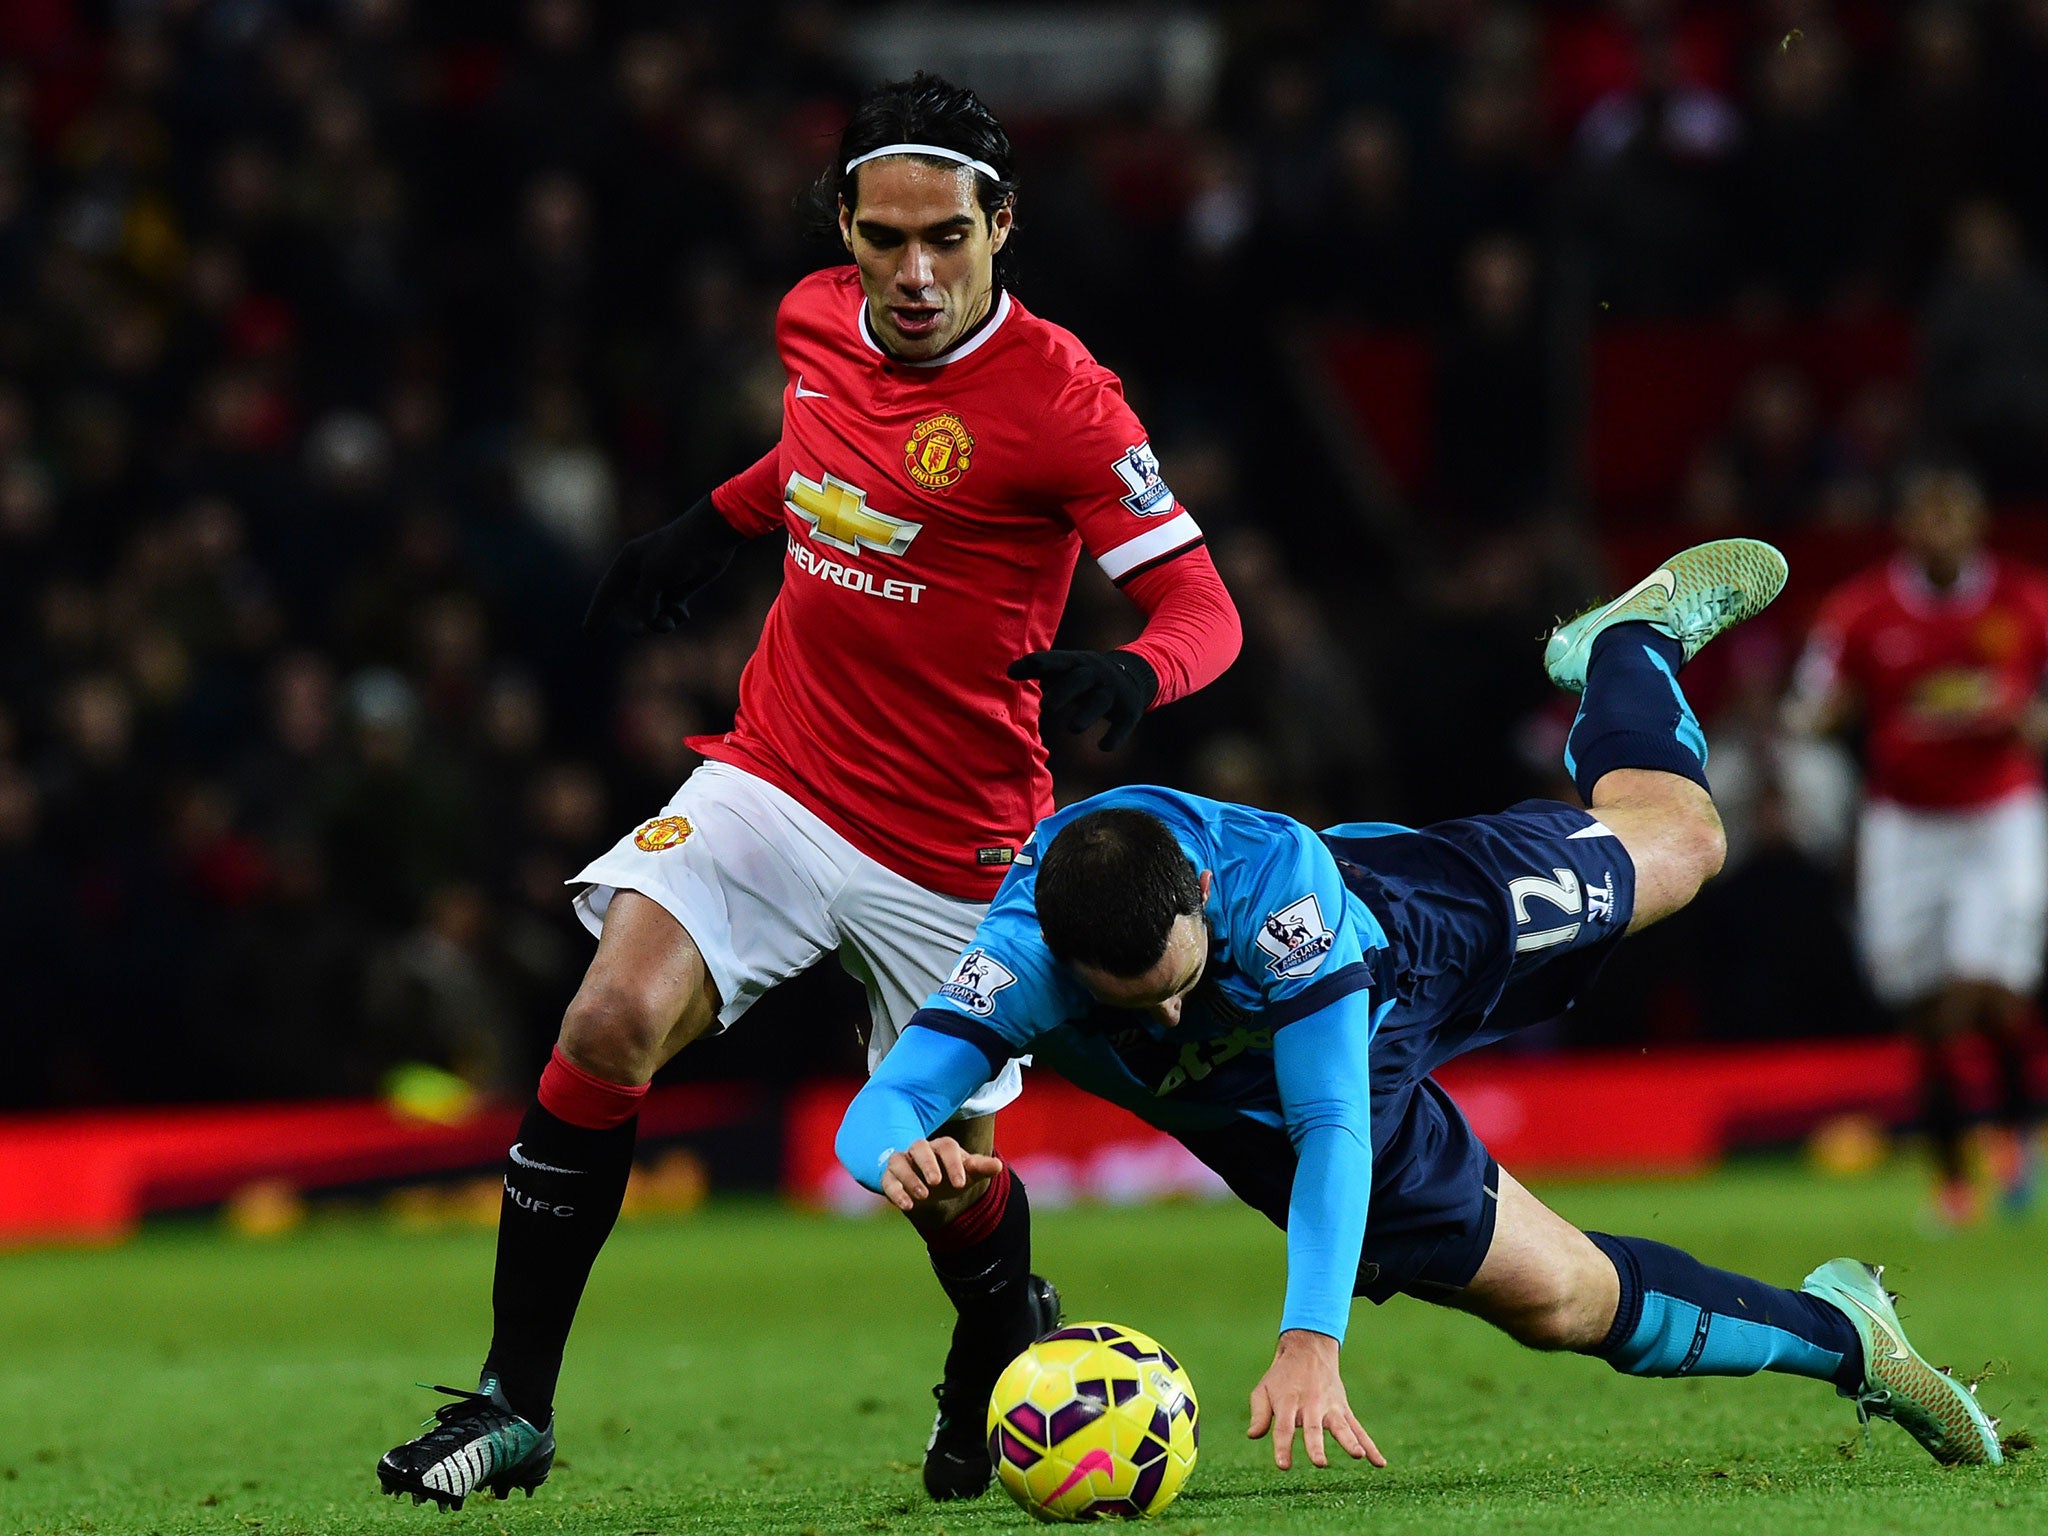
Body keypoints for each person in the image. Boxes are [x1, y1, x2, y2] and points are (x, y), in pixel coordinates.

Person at [377, 74, 1242, 1510]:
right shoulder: (812, 320)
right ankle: (512, 1406)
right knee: (606, 1019)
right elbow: (821, 452)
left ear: (1001, 228)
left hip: (959, 843)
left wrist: (1143, 674)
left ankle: (1000, 1343)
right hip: (781, 772)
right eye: (884, 237)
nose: (913, 275)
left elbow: (1204, 604)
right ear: (841, 222)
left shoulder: (1065, 404)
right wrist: (709, 527)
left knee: (946, 1178)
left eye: (947, 240)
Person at [838, 539, 2008, 1473]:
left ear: (1199, 898)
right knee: (1558, 1303)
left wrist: (1309, 1341)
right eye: (1126, 1009)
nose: (1162, 1022)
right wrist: (892, 1160)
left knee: (1687, 844)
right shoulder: (1022, 950)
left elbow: (1333, 1122)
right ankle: (1849, 1337)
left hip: (1405, 936)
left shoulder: (1275, 891)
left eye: (1174, 987)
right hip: (1249, 1108)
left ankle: (1628, 639)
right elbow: (887, 1099)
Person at [1788, 465, 2046, 1224]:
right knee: (1927, 1012)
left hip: (1999, 817)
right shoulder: (1862, 610)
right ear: (1906, 528)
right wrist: (1823, 716)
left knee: (1988, 989)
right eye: (1925, 519)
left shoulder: (2023, 601)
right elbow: (1813, 705)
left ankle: (2014, 1130)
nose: (1938, 533)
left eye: (1951, 518)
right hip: (1904, 822)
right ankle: (1953, 1179)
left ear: (1974, 526)